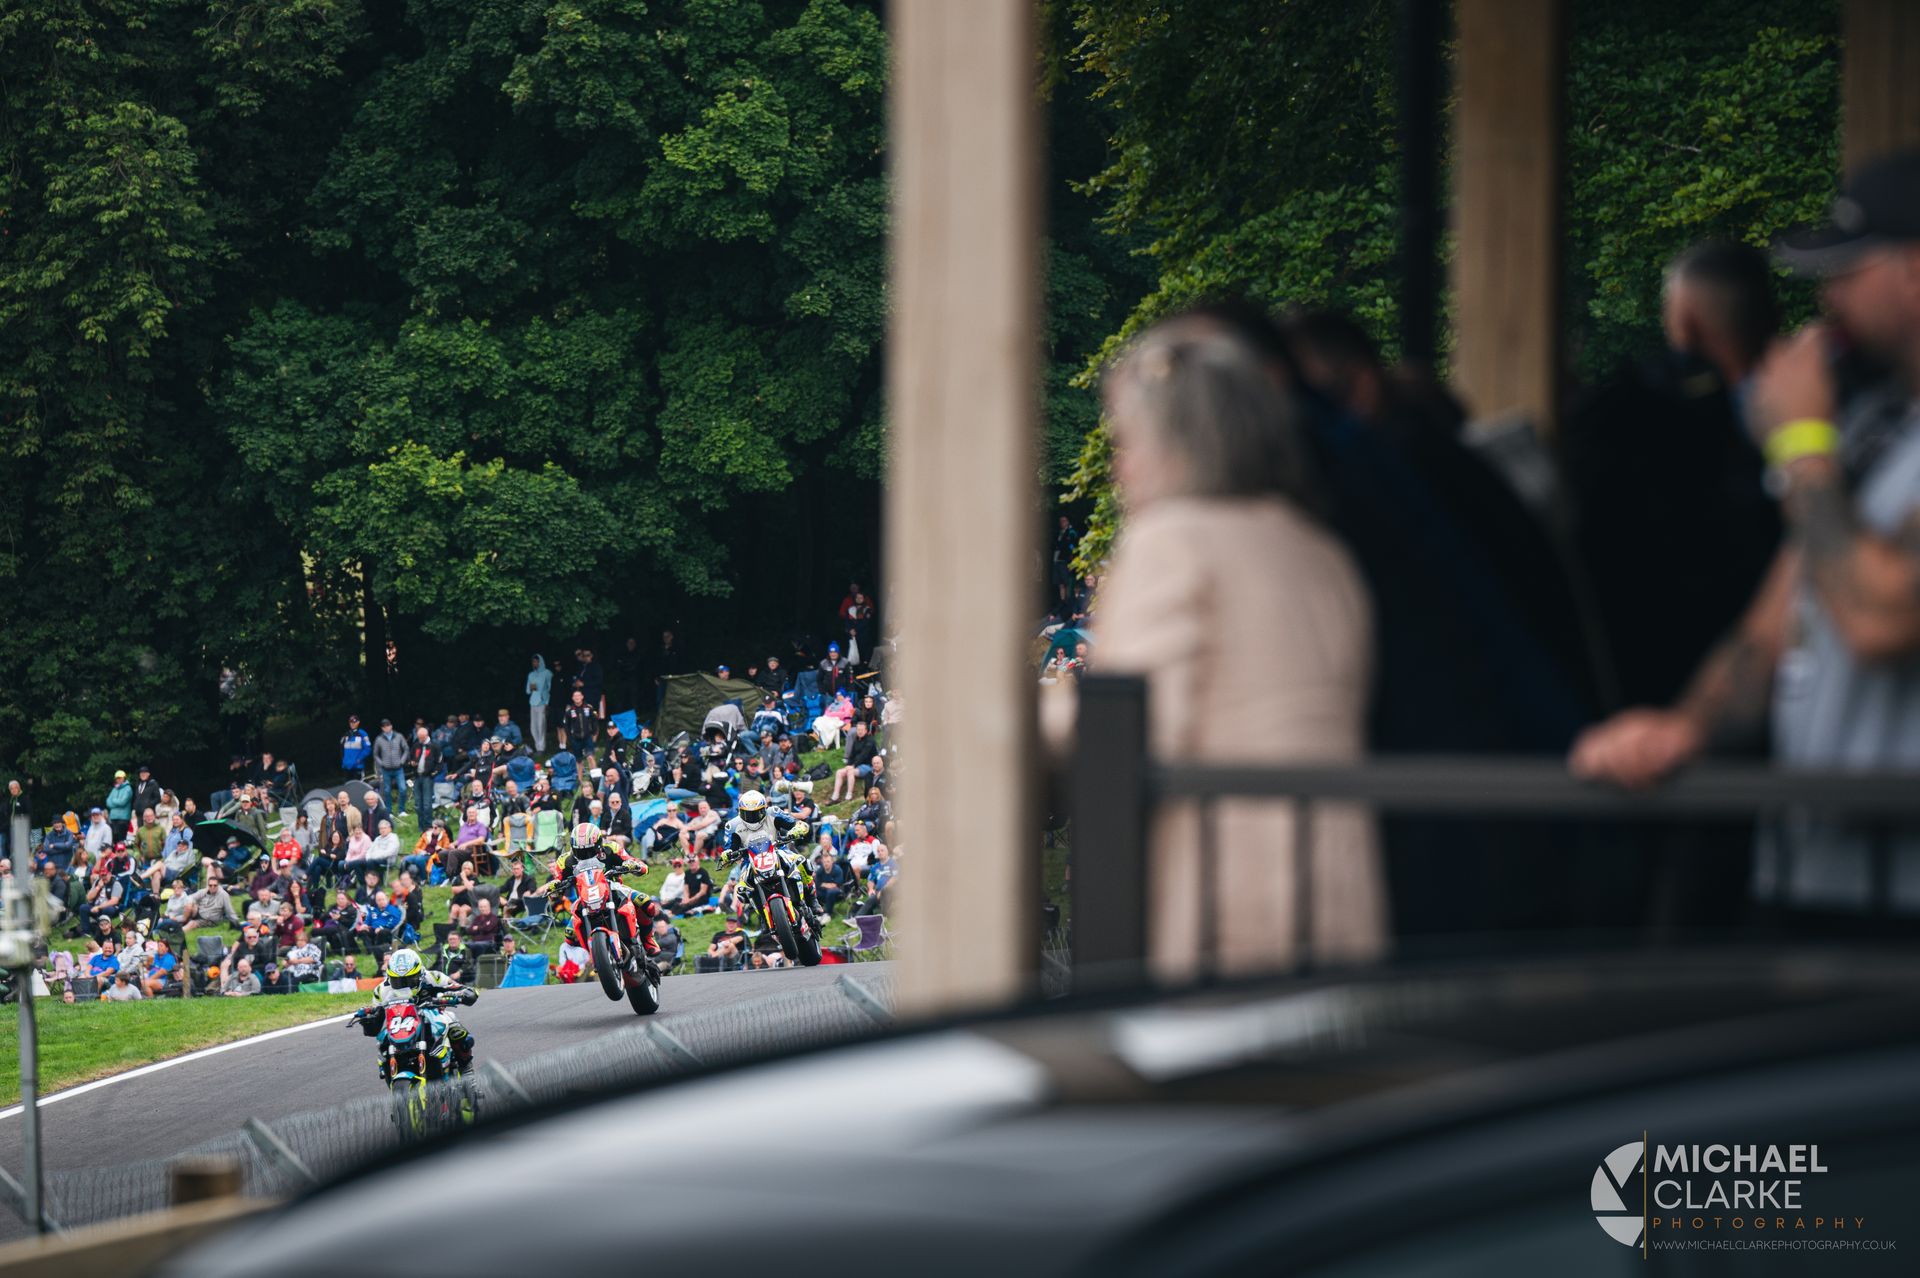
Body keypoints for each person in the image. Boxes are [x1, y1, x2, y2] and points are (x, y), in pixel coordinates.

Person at [1573, 148, 1920, 930]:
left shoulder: (1824, 440)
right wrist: (1681, 728)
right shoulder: (1868, 426)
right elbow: (1771, 627)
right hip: (1815, 880)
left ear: (1914, 272)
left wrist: (1799, 441)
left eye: (1846, 271)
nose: (1824, 298)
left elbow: (1881, 619)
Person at [1056, 311, 1387, 976]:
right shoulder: (1318, 547)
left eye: (1128, 441)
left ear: (1176, 442)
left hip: (1227, 903)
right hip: (1343, 891)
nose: (1119, 467)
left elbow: (1133, 724)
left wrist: (1010, 720)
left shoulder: (1170, 545)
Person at [531, 823, 665, 967]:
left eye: (589, 850)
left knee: (647, 904)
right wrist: (555, 887)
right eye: (581, 851)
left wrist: (635, 866)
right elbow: (558, 880)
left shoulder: (611, 848)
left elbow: (635, 862)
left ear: (598, 844)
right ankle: (596, 952)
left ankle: (647, 939)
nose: (585, 854)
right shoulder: (565, 861)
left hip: (613, 888)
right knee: (569, 935)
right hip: (584, 897)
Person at [353, 948, 479, 1076]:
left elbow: (467, 991)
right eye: (398, 981)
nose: (404, 986)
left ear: (419, 974)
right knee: (382, 1039)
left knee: (455, 1029)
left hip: (433, 1015)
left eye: (408, 980)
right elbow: (376, 1019)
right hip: (400, 1022)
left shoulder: (433, 977)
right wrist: (369, 1018)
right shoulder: (381, 990)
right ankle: (388, 1067)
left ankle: (467, 1071)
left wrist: (457, 995)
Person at [829, 720, 879, 803]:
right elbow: (852, 755)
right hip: (857, 765)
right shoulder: (856, 740)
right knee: (839, 772)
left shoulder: (870, 741)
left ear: (866, 731)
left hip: (868, 765)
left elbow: (864, 755)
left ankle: (849, 795)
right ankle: (835, 796)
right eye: (858, 730)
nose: (859, 732)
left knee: (850, 772)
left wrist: (853, 765)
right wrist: (848, 764)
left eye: (861, 730)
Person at [372, 718, 409, 816]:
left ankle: (402, 810)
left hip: (398, 768)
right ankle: (389, 811)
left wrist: (402, 761)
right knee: (387, 790)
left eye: (388, 726)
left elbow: (406, 749)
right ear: (382, 728)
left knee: (403, 789)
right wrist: (381, 763)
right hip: (386, 769)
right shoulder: (379, 739)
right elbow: (375, 754)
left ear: (391, 726)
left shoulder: (399, 736)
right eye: (384, 726)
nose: (386, 728)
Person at [527, 654, 554, 752]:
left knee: (541, 725)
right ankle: (537, 745)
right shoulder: (531, 675)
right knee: (533, 726)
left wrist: (547, 701)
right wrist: (531, 688)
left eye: (537, 661)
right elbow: (528, 690)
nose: (535, 663)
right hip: (533, 702)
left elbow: (551, 688)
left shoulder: (547, 673)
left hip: (542, 702)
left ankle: (541, 747)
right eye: (533, 661)